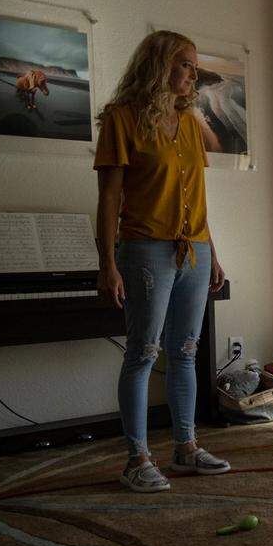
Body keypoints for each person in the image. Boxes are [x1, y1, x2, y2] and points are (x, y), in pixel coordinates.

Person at [94, 30, 230, 492]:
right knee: (143, 353)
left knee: (186, 352)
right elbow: (109, 198)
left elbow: (195, 195)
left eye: (194, 66)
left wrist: (213, 252)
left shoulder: (190, 123)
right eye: (184, 64)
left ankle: (186, 449)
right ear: (157, 65)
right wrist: (107, 263)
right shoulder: (121, 118)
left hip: (195, 250)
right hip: (146, 249)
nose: (191, 74)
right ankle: (137, 458)